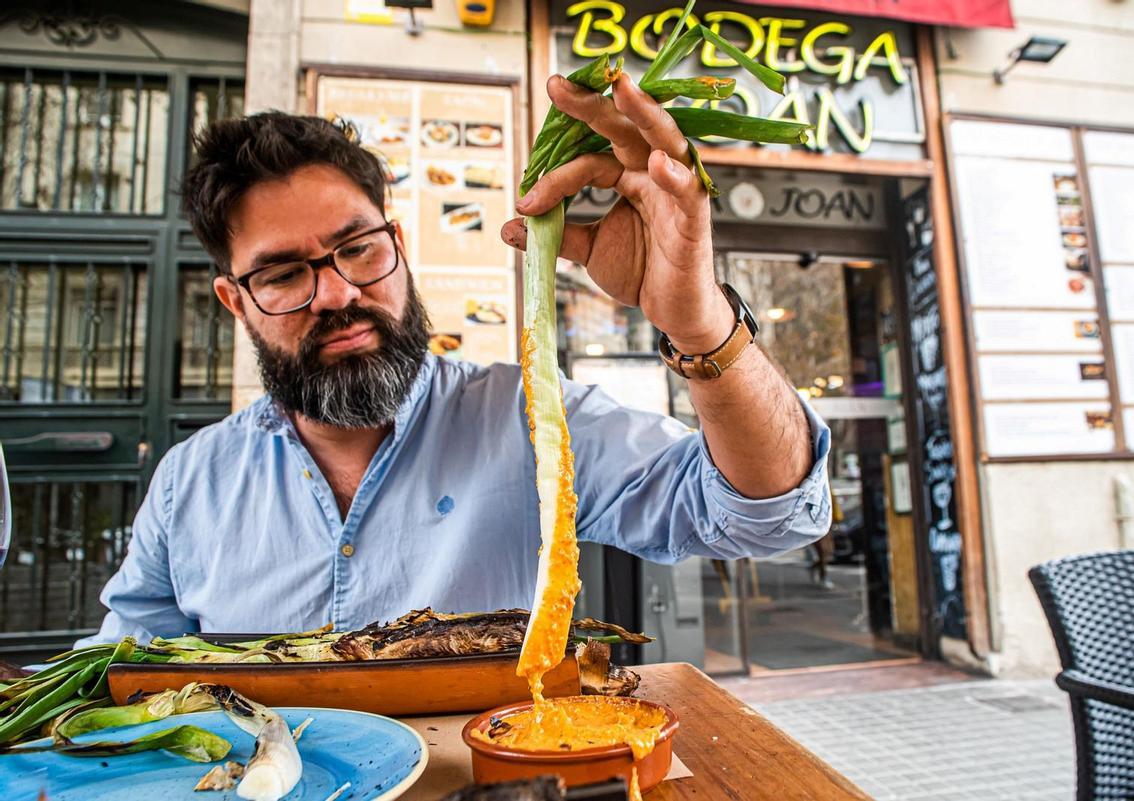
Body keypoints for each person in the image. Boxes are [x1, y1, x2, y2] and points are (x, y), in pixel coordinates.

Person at [78, 75, 831, 645]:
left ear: (399, 245)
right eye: (282, 274)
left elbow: (766, 516)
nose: (338, 292)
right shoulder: (191, 483)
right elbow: (123, 674)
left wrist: (700, 324)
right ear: (234, 301)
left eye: (358, 248)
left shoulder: (529, 419)